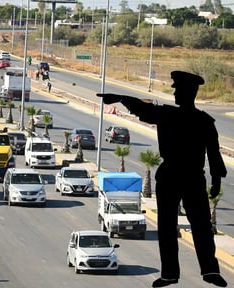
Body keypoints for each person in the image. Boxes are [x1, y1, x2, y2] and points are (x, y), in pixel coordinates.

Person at [97, 71, 227, 288]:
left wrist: (216, 179)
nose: (174, 91)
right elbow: (144, 109)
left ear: (189, 92)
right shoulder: (194, 118)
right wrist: (121, 99)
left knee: (191, 226)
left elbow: (214, 152)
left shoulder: (182, 117)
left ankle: (200, 271)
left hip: (186, 175)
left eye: (177, 88)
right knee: (179, 226)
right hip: (181, 176)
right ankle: (183, 273)